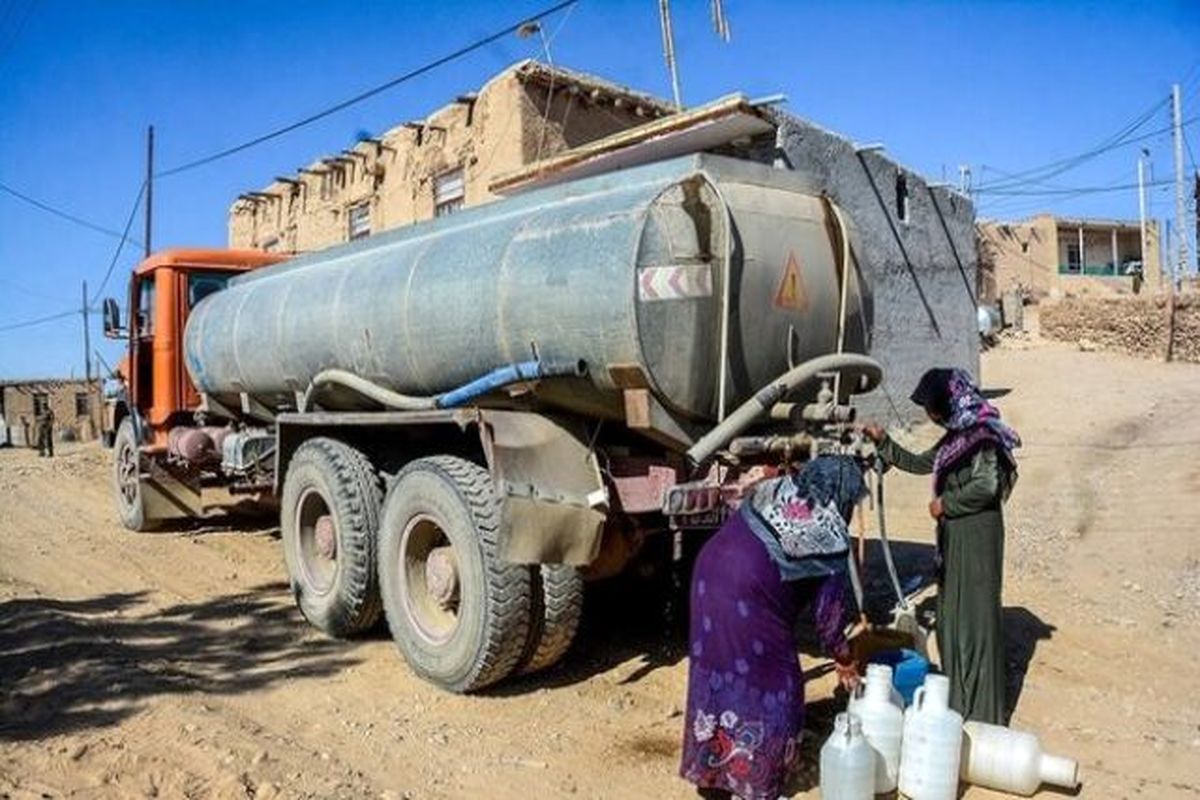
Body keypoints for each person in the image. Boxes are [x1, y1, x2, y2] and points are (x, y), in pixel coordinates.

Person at [680, 455, 866, 800]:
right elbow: (829, 619)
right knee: (780, 686)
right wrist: (844, 658)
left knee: (717, 670)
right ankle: (757, 781)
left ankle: (712, 773)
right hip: (749, 593)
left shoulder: (777, 489)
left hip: (709, 573)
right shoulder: (831, 533)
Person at [863, 368, 1019, 724]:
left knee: (974, 621)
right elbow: (922, 463)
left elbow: (988, 485)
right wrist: (884, 441)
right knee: (952, 619)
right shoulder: (957, 436)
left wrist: (945, 504)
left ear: (948, 403)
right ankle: (958, 704)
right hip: (955, 537)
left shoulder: (983, 436)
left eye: (932, 408)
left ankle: (981, 715)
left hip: (977, 537)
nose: (930, 416)